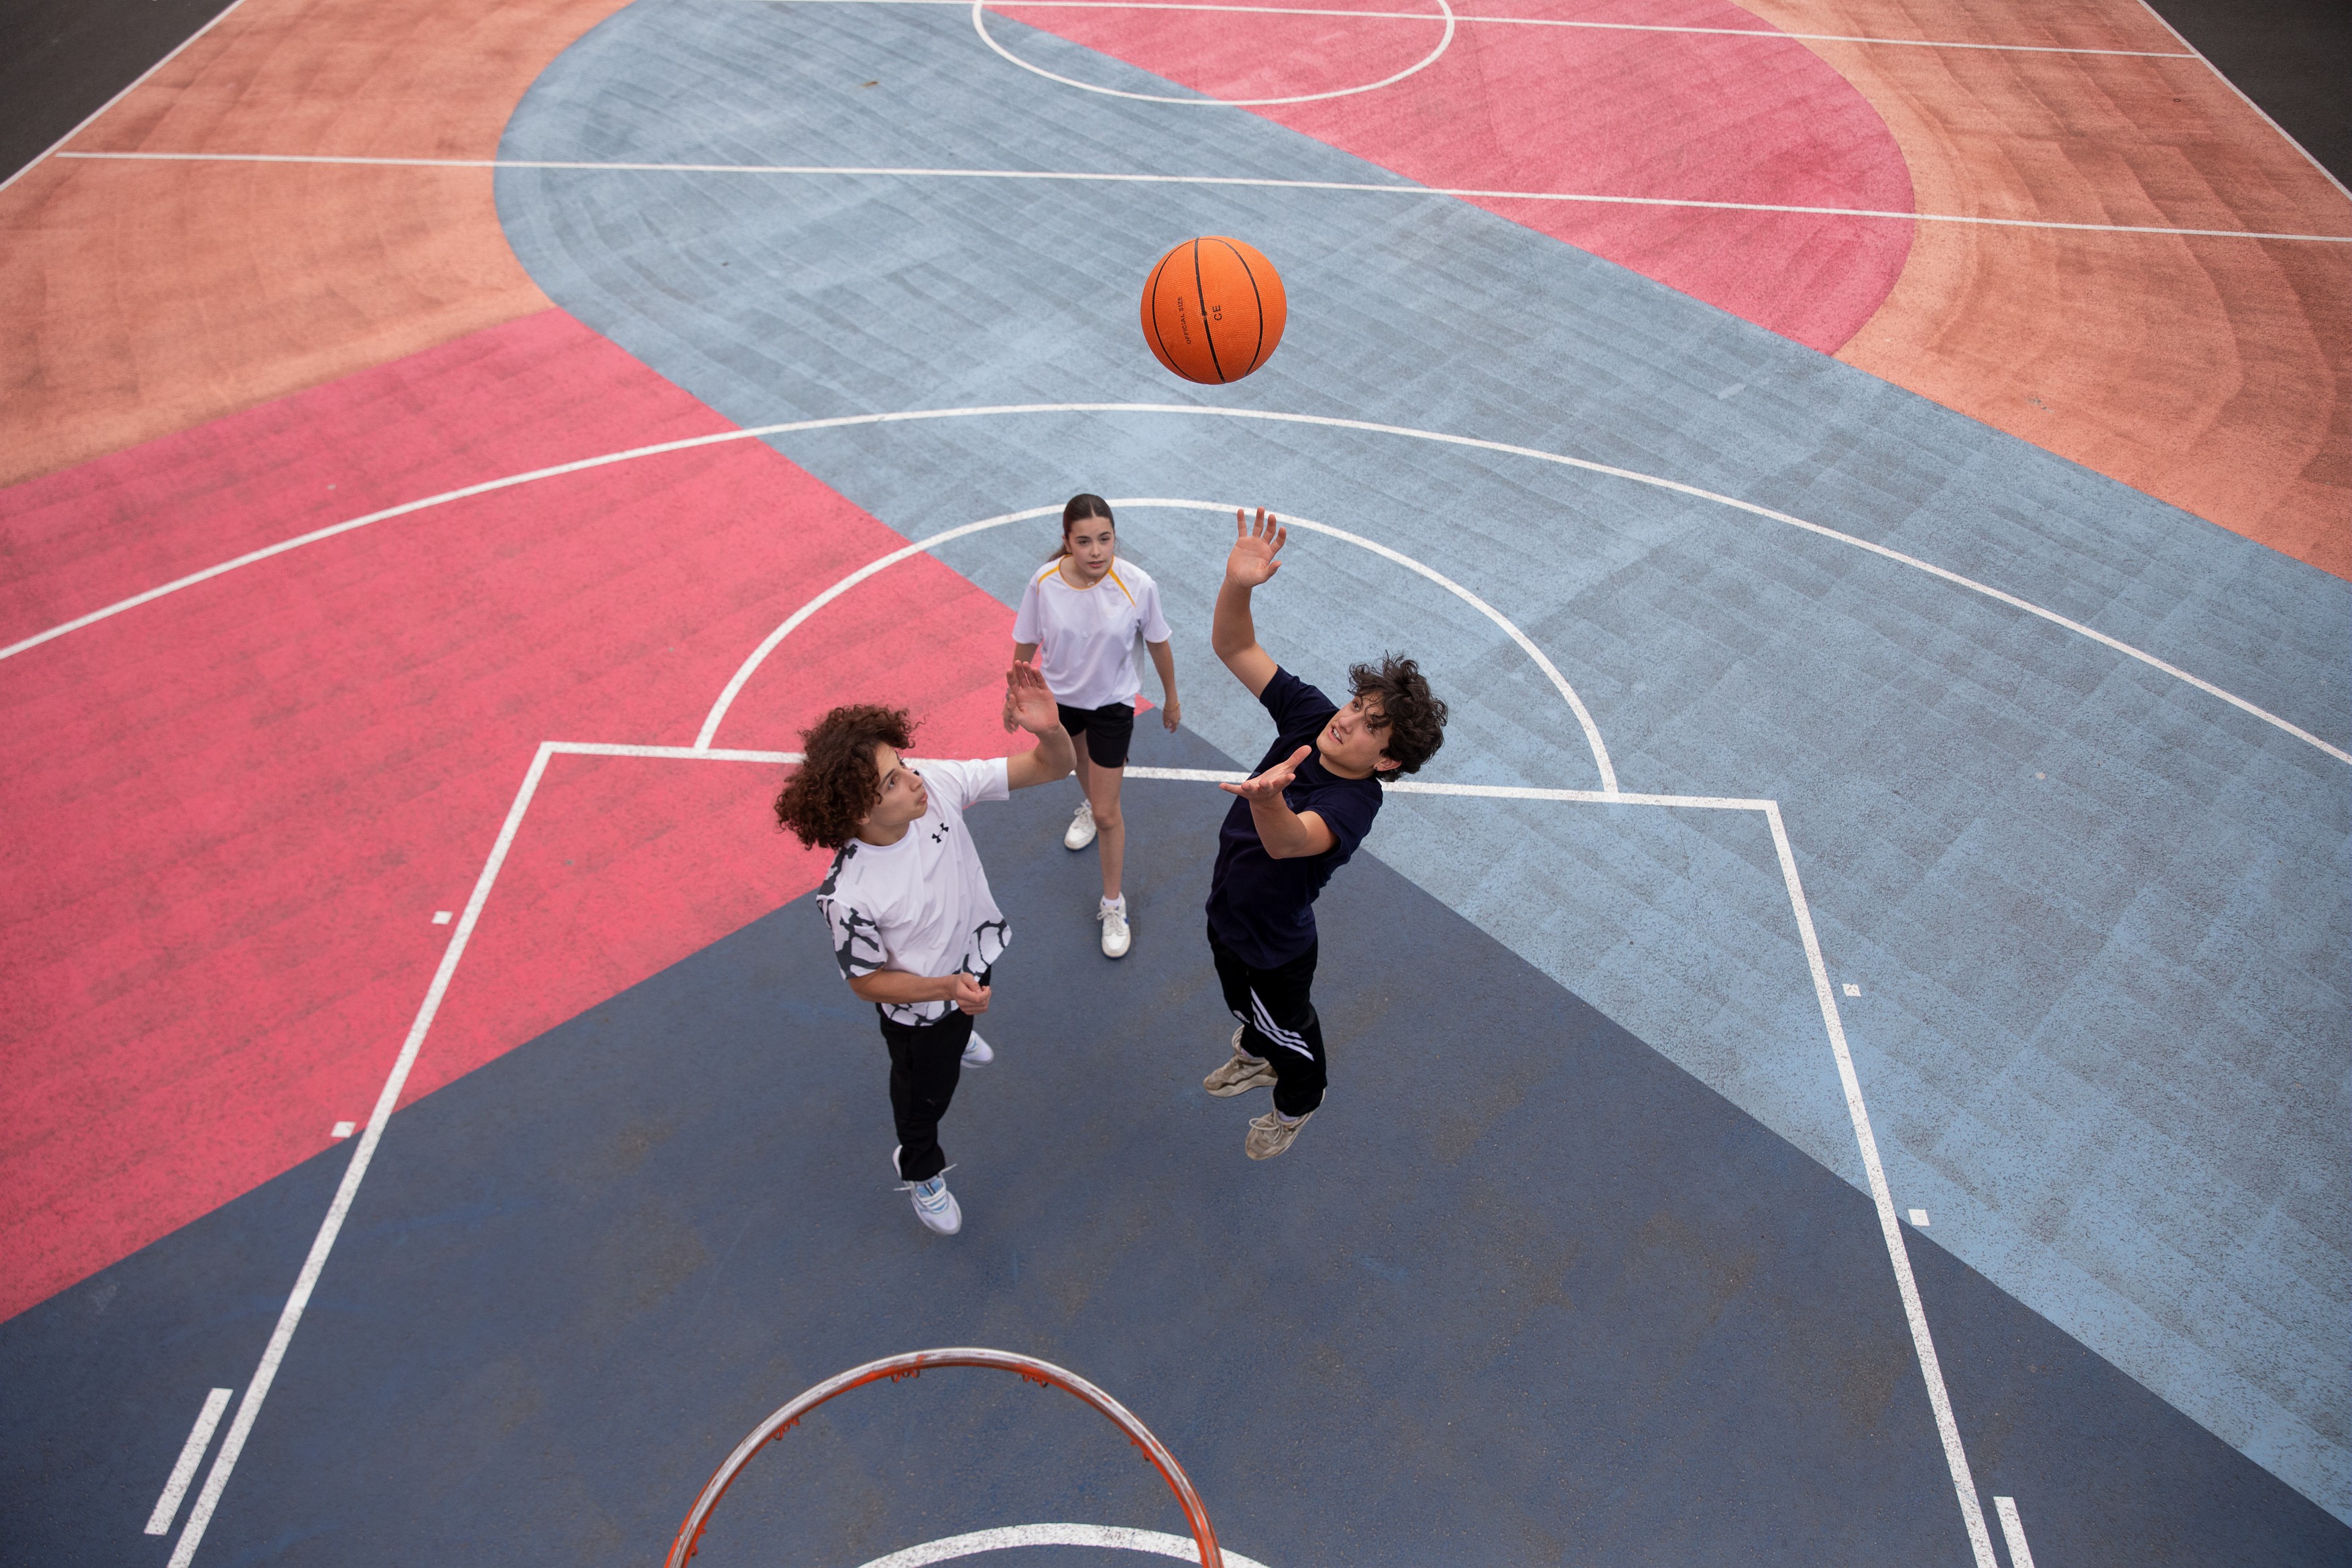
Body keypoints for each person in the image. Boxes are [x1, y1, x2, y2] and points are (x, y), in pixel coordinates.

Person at [774, 661, 1075, 1235]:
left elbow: (1052, 767)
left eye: (902, 764)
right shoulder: (849, 895)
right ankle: (919, 1168)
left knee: (962, 1021)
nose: (912, 778)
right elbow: (866, 982)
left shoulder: (933, 786)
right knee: (924, 1100)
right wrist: (944, 990)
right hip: (921, 1011)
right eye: (892, 779)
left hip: (972, 960)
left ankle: (959, 1032)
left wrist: (1050, 730)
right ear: (861, 811)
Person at [1200, 508, 1449, 1159]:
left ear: (1388, 760)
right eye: (1356, 706)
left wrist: (1266, 799)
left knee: (1291, 1029)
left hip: (1273, 947)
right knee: (1240, 1005)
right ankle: (1255, 1053)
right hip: (1228, 906)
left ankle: (1298, 1100)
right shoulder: (1311, 715)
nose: (1349, 720)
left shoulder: (1355, 801)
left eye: (1371, 725)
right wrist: (1238, 584)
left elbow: (1289, 840)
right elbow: (1234, 647)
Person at [1004, 494, 1181, 959]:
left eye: (1105, 538)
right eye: (1084, 541)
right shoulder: (1043, 583)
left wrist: (1171, 698)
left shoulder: (1137, 584)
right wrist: (1014, 695)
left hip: (1111, 705)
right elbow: (1025, 641)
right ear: (1067, 542)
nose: (1097, 551)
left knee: (1108, 812)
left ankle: (1112, 904)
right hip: (1061, 702)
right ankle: (1087, 802)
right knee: (1078, 767)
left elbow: (1159, 643)